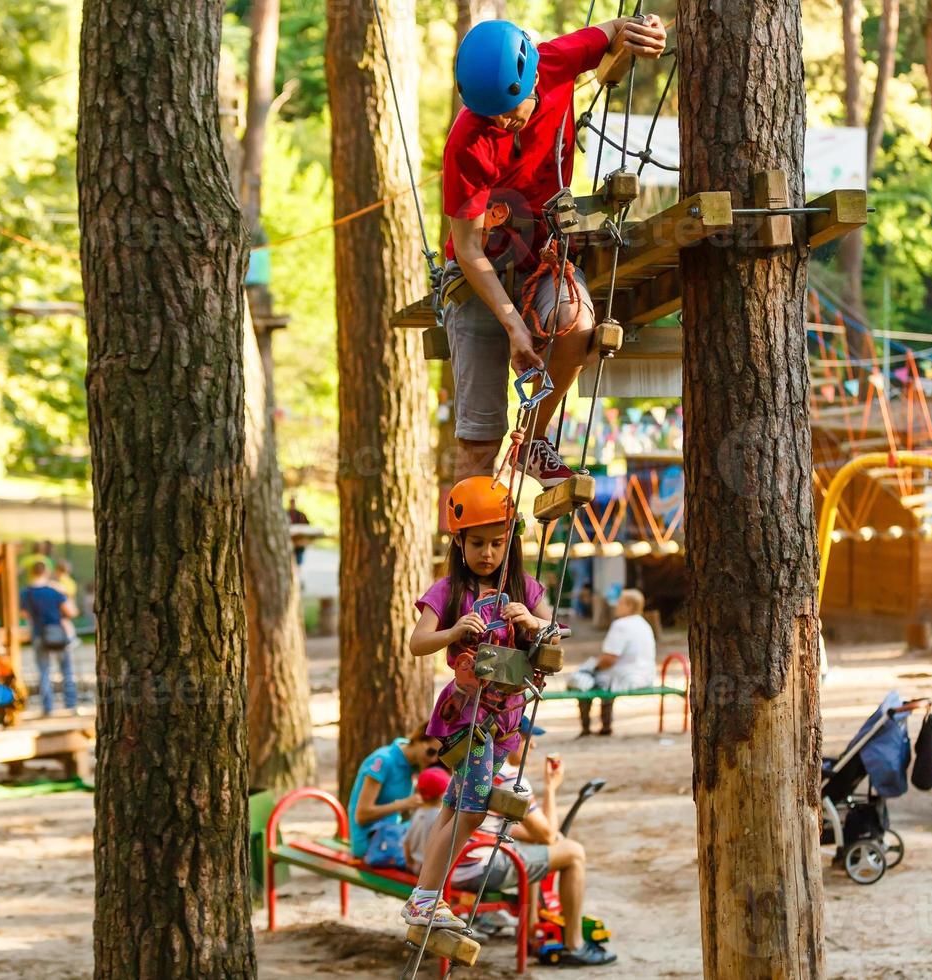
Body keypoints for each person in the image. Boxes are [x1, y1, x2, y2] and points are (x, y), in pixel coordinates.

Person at [441, 17, 667, 485]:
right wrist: (513, 325)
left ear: (533, 79)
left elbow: (616, 30)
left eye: (507, 111)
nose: (500, 123)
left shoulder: (557, 61)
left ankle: (533, 440)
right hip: (478, 276)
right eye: (489, 115)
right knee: (480, 433)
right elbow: (467, 248)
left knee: (578, 325)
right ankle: (478, 539)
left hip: (542, 258)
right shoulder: (468, 139)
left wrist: (648, 31)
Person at [402, 477, 553, 932]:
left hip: (505, 719)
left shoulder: (526, 589)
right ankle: (427, 898)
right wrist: (452, 632)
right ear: (460, 542)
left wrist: (531, 621)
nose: (487, 553)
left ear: (511, 542)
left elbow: (556, 634)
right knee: (473, 807)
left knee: (454, 804)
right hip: (465, 717)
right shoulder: (448, 590)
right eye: (477, 543)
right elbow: (417, 642)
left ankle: (423, 895)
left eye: (497, 543)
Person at [409, 719, 614, 967]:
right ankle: (574, 944)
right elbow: (548, 835)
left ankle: (529, 934)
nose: (533, 745)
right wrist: (551, 787)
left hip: (451, 866)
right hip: (477, 869)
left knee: (536, 854)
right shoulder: (510, 778)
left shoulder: (471, 767)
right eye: (527, 739)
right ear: (510, 739)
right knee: (574, 853)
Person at [568, 588, 656, 736]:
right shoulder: (644, 624)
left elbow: (609, 659)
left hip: (626, 678)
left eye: (620, 602)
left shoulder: (621, 625)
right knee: (604, 679)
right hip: (646, 676)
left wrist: (591, 668)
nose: (616, 605)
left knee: (584, 681)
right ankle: (605, 725)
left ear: (629, 606)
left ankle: (586, 728)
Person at [347, 729, 443, 861]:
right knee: (431, 861)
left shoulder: (415, 764)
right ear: (418, 739)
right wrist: (403, 804)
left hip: (392, 833)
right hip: (371, 842)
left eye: (438, 756)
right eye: (431, 752)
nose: (433, 760)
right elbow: (361, 815)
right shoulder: (383, 760)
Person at [20, 560, 79, 716]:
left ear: (32, 572)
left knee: (44, 672)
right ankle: (70, 704)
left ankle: (48, 707)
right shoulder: (54, 591)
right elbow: (71, 611)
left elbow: (24, 614)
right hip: (58, 633)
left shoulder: (26, 593)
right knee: (66, 670)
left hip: (39, 634)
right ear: (46, 572)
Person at [402, 766, 457, 872]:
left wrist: (409, 863)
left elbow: (406, 843)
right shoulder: (439, 817)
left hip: (415, 866)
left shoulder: (417, 812)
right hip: (427, 870)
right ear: (443, 794)